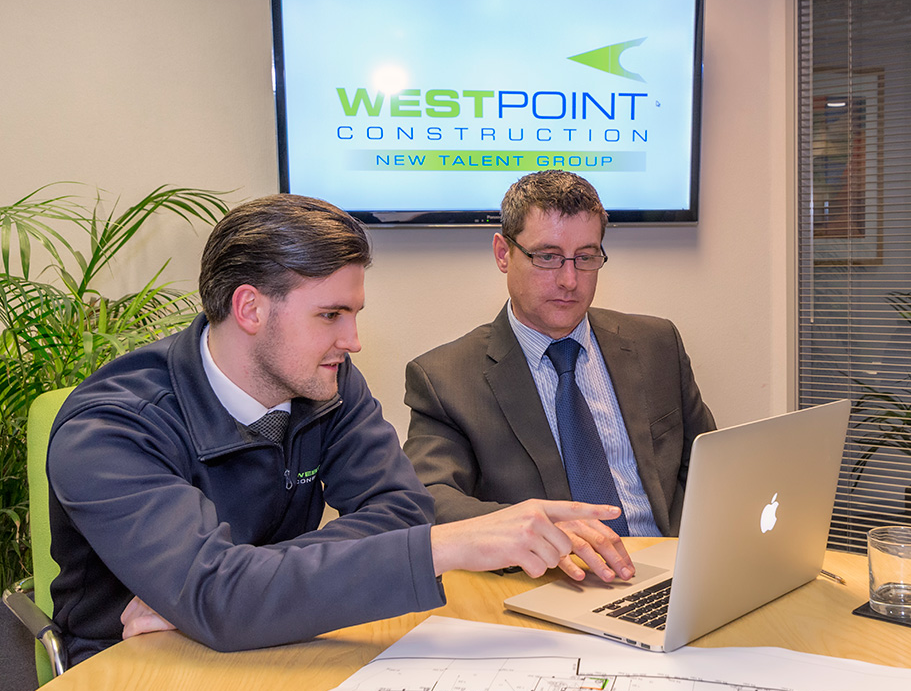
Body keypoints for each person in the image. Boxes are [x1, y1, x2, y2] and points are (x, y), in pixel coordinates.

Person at [46, 194, 619, 665]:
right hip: (132, 665)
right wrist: (224, 593)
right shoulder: (110, 428)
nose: (352, 341)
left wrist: (243, 587)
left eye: (354, 314)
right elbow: (222, 597)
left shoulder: (329, 382)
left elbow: (401, 511)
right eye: (330, 315)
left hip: (279, 644)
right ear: (250, 309)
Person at [404, 170, 715, 581]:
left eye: (586, 258)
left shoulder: (656, 344)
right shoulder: (445, 378)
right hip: (550, 580)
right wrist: (536, 531)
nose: (569, 281)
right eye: (547, 257)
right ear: (503, 253)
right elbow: (428, 498)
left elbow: (710, 466)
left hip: (672, 572)